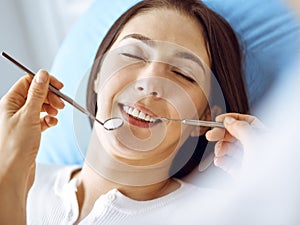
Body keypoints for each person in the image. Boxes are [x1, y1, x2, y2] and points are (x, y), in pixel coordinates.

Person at [0, 0, 265, 224]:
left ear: (205, 118)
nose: (150, 83)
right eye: (132, 55)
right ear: (97, 74)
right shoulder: (17, 175)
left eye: (182, 73)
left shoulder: (217, 215)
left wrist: (274, 190)